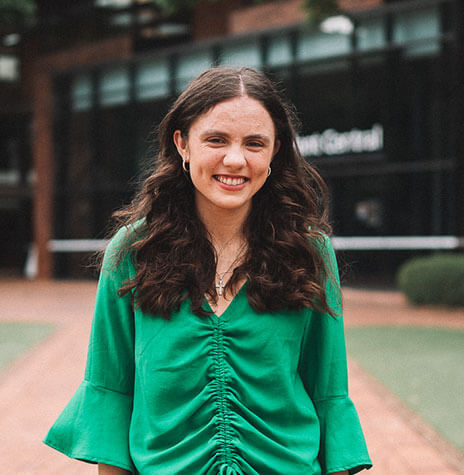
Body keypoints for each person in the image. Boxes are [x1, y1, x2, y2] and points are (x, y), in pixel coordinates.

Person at [44, 66, 372, 474]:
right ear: (182, 143)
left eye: (255, 143)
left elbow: (328, 394)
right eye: (216, 140)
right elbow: (112, 395)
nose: (235, 160)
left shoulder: (309, 251)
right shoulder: (132, 251)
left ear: (275, 151)